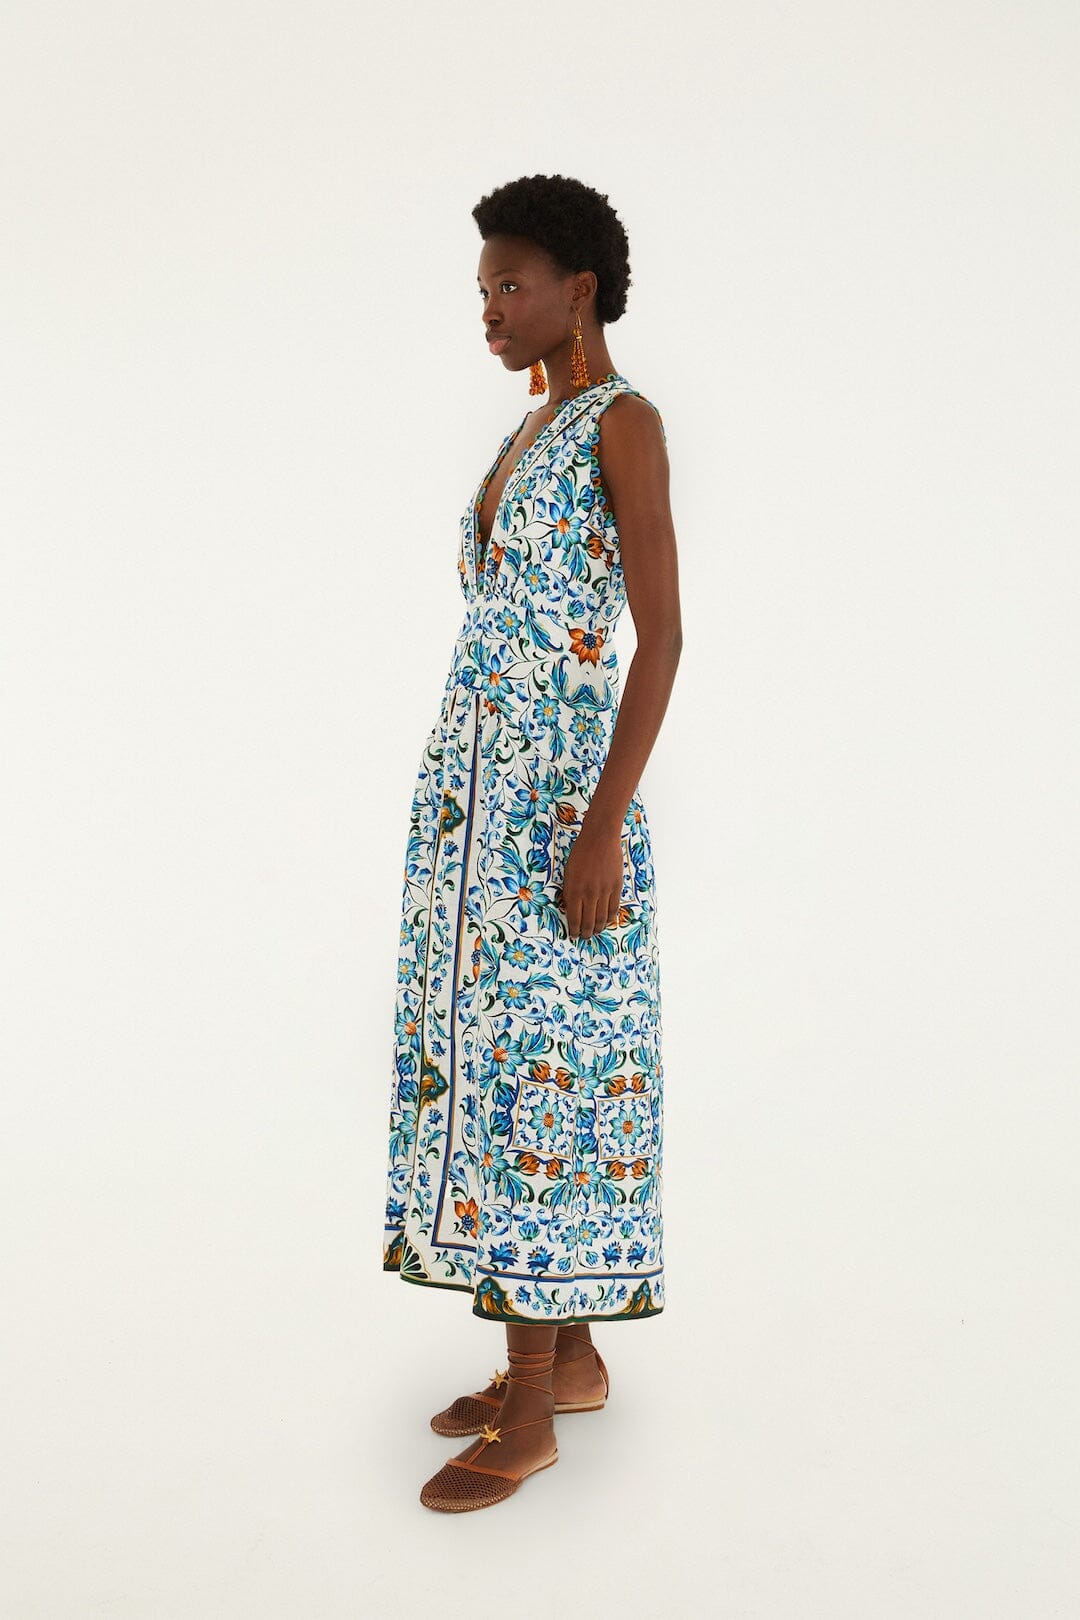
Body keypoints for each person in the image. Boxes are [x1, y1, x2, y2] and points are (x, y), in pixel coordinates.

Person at [383, 172, 682, 1512]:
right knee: (497, 1064)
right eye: (483, 290)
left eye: (511, 284)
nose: (491, 310)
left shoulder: (625, 421)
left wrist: (602, 826)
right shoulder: (530, 427)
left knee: (544, 1080)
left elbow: (662, 637)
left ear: (581, 288)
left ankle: (528, 1407)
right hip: (477, 806)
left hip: (559, 805)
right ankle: (567, 1364)